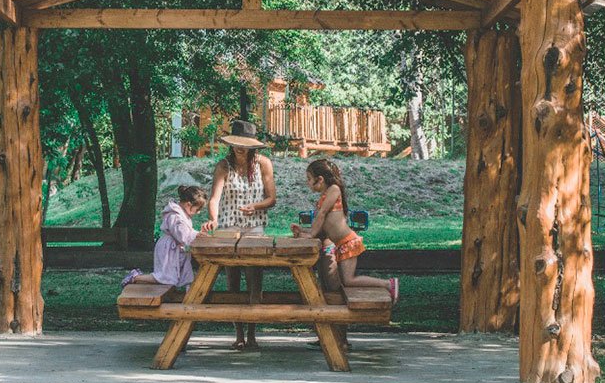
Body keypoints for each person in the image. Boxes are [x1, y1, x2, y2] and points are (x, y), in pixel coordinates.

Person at [201, 120, 276, 350]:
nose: (240, 149)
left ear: (252, 146)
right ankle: (239, 334)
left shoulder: (263, 164)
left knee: (254, 281)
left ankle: (253, 334)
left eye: (244, 145)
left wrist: (255, 206)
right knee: (232, 282)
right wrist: (213, 219)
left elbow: (271, 198)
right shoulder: (223, 166)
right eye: (236, 144)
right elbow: (215, 198)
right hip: (228, 226)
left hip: (254, 226)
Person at [291, 158, 398, 302]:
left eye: (309, 178)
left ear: (320, 179)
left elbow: (322, 214)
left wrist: (311, 234)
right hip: (341, 245)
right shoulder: (324, 196)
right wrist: (303, 231)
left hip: (348, 243)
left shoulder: (334, 189)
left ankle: (388, 284)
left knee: (348, 280)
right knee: (339, 283)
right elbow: (323, 225)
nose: (307, 182)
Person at [122, 185, 208, 288]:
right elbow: (181, 234)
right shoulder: (174, 216)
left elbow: (186, 230)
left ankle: (190, 292)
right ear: (188, 204)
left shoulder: (182, 214)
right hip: (168, 249)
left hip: (175, 249)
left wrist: (196, 233)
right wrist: (195, 235)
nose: (198, 212)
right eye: (197, 209)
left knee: (182, 274)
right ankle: (136, 277)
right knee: (166, 277)